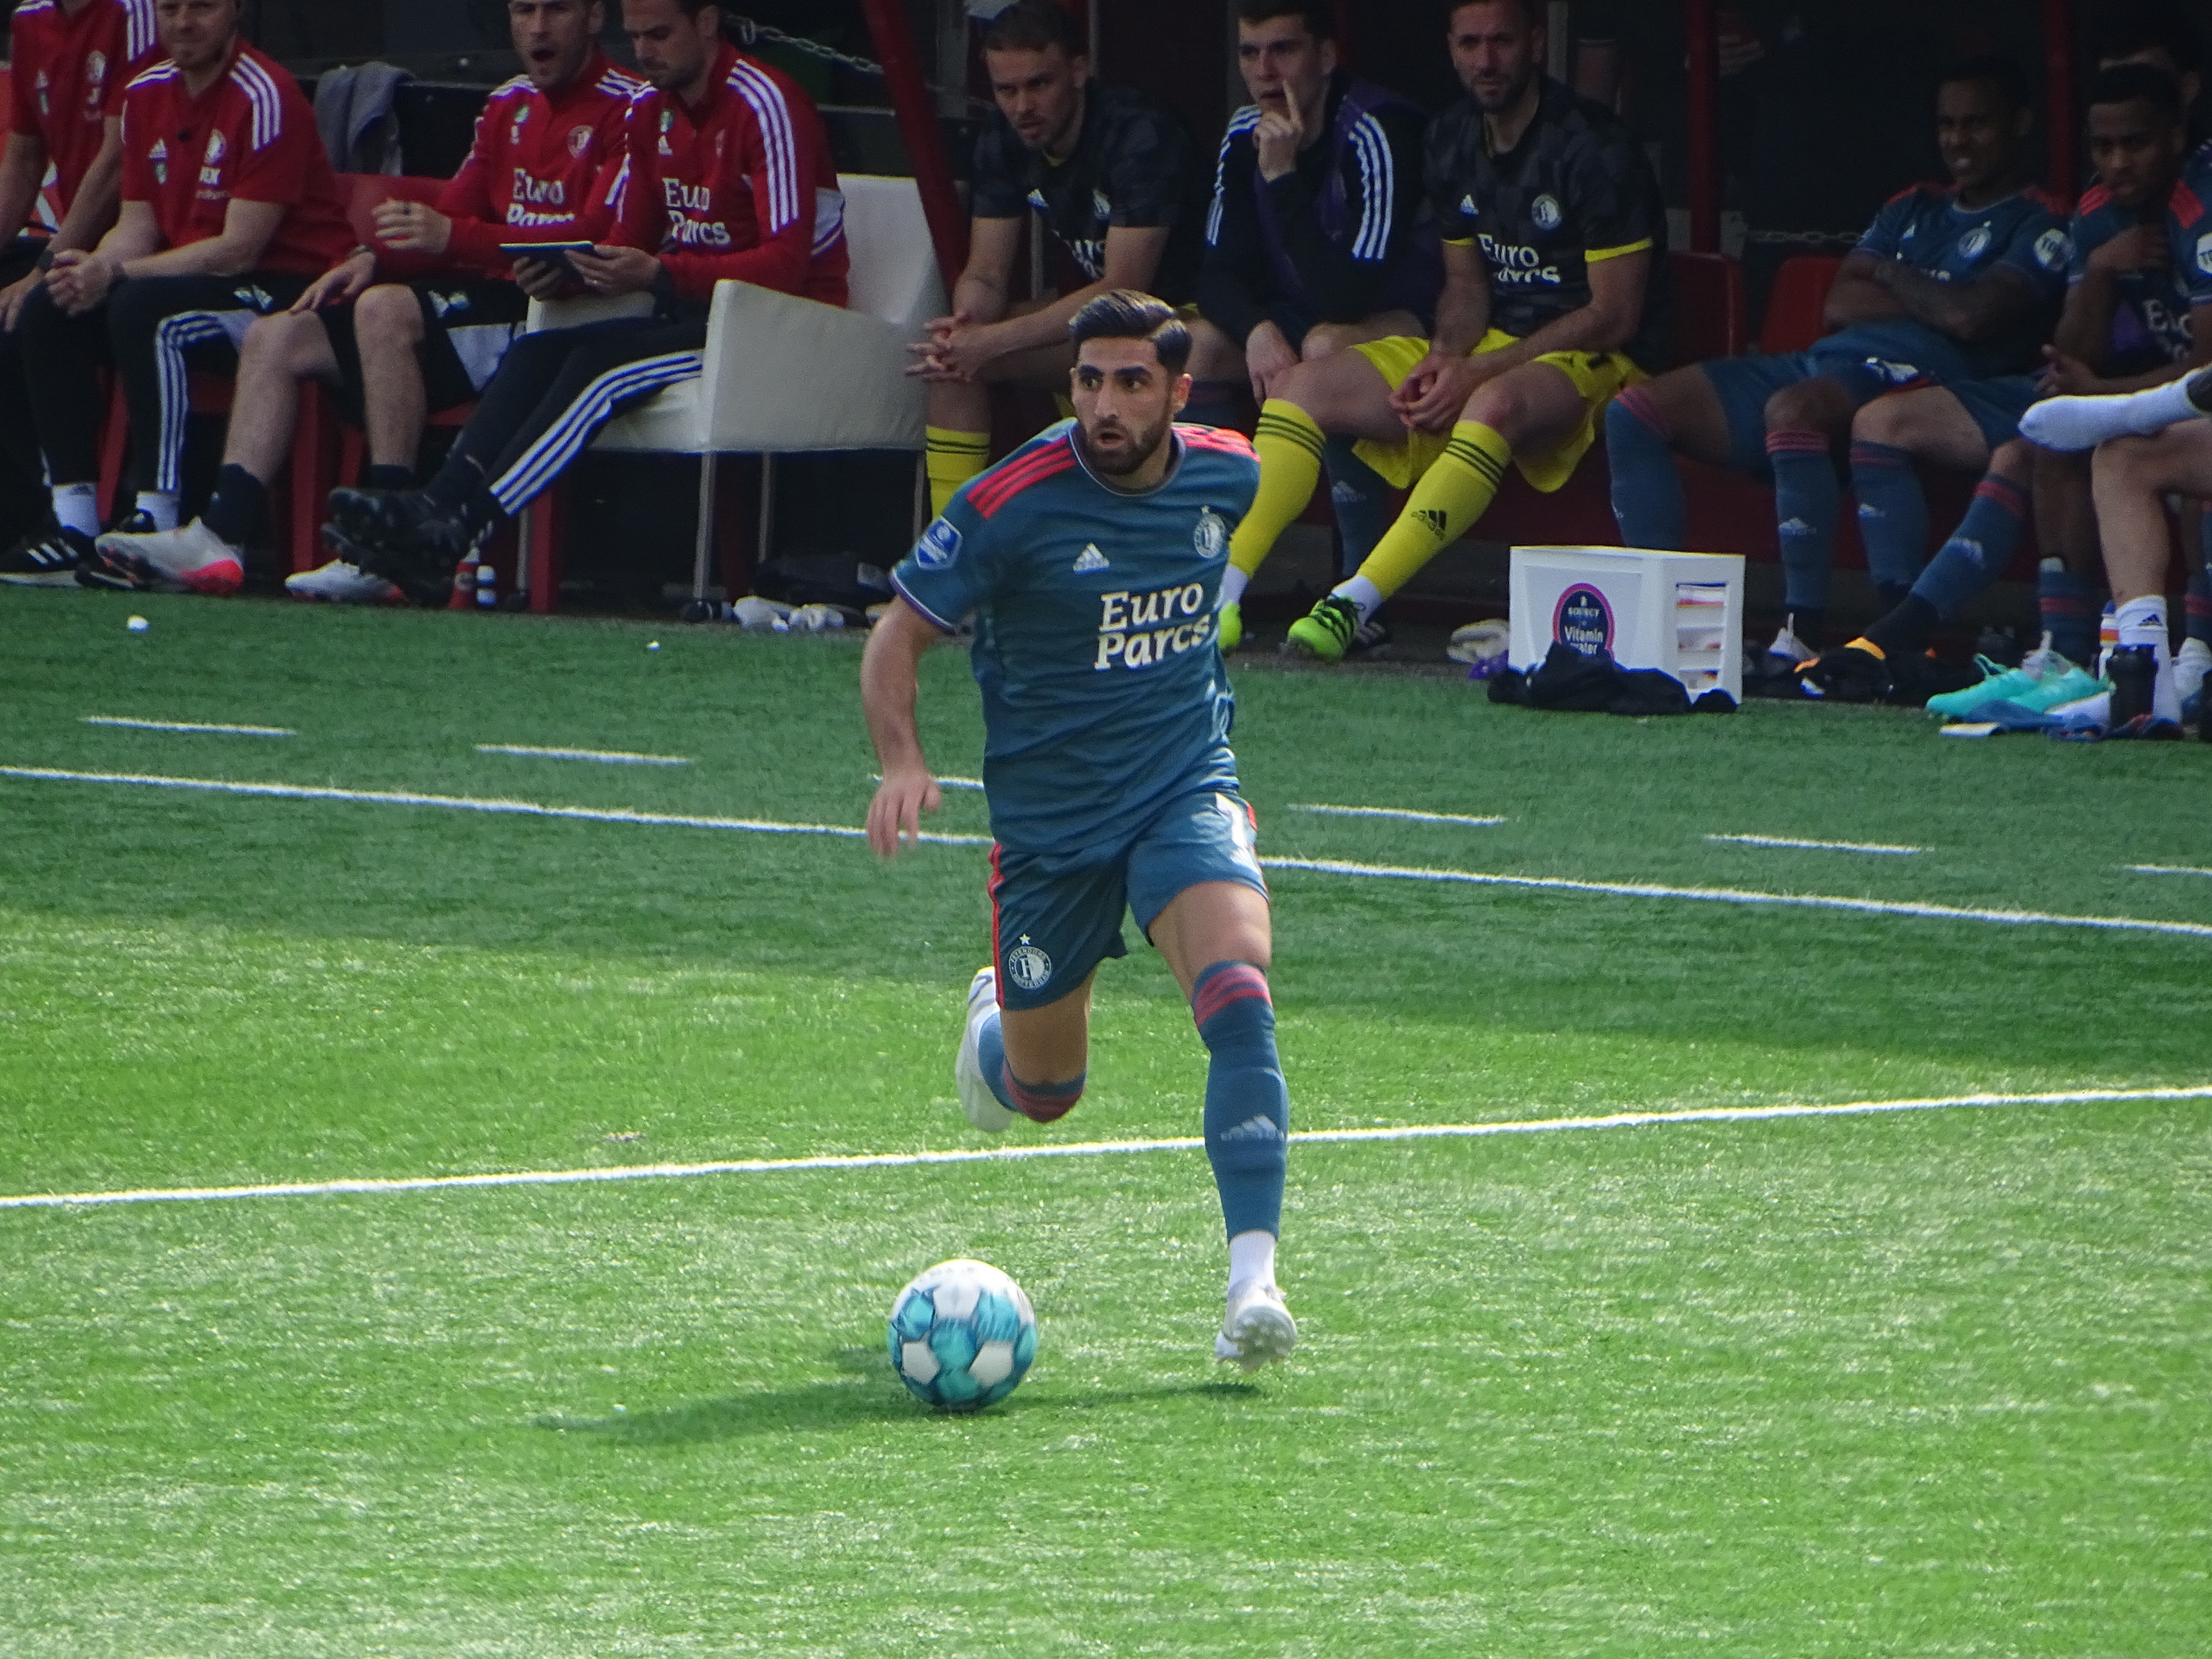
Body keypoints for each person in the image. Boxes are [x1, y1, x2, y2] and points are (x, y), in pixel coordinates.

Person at [862, 289, 1296, 1373]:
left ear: (1177, 393)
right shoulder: (1012, 506)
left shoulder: (1228, 473)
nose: (1105, 404)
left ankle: (1255, 1284)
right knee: (1045, 1096)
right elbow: (894, 640)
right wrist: (904, 764)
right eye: (1089, 382)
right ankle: (995, 1027)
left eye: (1131, 383)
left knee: (1239, 994)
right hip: (1051, 831)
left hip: (1181, 786)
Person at [89, 0, 642, 602]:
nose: (537, 28)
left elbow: (594, 240)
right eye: (523, 11)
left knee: (385, 308)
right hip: (470, 294)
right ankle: (222, 533)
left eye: (555, 11)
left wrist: (452, 240)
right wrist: (368, 258)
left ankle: (384, 542)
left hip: (546, 308)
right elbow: (451, 215)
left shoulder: (630, 106)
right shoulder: (507, 104)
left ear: (593, 18)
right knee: (281, 331)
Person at [310, 0, 847, 604]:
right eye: (637, 36)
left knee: (599, 371)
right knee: (540, 350)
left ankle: (461, 528)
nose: (644, 52)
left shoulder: (765, 102)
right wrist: (567, 274)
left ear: (707, 22)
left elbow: (787, 265)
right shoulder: (650, 109)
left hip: (780, 320)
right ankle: (432, 507)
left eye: (660, 34)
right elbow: (625, 245)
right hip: (691, 309)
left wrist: (661, 272)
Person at [1218, 0, 1667, 663]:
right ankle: (1218, 598)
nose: (1485, 61)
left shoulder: (1593, 146)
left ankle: (1355, 602)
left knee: (1490, 402)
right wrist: (1444, 355)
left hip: (1592, 358)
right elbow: (1465, 286)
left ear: (1537, 44)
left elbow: (1613, 315)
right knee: (1304, 383)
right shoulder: (1454, 137)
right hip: (1488, 347)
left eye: (1502, 42)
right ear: (1451, 48)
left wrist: (1477, 372)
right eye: (1470, 44)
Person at [1607, 56, 2068, 676]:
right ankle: (1663, 629)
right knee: (1633, 412)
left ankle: (1801, 633)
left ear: (2020, 124)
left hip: (1927, 376)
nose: (1959, 140)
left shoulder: (2040, 218)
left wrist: (1889, 273)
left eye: (1978, 123)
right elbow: (1840, 301)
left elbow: (1972, 318)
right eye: (1948, 124)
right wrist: (1931, 289)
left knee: (1794, 410)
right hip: (1824, 361)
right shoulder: (1913, 205)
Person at [1801, 63, 2211, 703]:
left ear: (2177, 138)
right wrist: (2101, 273)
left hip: (2186, 400)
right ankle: (2069, 655)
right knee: (2053, 440)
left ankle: (2197, 653)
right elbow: (2070, 356)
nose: (2119, 162)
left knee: (2167, 441)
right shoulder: (2099, 213)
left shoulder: (2201, 208)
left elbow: (2208, 376)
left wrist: (2102, 396)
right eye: (2104, 147)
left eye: (2138, 143)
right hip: (2135, 395)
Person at [1, 0, 350, 592]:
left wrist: (120, 276)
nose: (184, 23)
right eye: (172, 8)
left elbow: (239, 248)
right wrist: (92, 267)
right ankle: (73, 521)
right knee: (51, 302)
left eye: (203, 8)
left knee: (146, 310)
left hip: (285, 288)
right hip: (192, 278)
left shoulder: (266, 94)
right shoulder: (146, 93)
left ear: (236, 11)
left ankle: (155, 513)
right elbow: (136, 223)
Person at [912, 0, 1226, 520]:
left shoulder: (1139, 134)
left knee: (982, 355)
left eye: (1039, 85)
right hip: (1102, 322)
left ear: (1078, 72)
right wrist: (966, 325)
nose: (1022, 107)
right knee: (950, 365)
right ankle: (948, 556)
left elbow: (1126, 287)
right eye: (1006, 90)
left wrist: (991, 342)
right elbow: (987, 271)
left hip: (1185, 313)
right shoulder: (1004, 136)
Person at [1196, 0, 1438, 655]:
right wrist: (1254, 329)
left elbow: (1349, 293)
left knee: (1325, 347)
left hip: (1407, 321)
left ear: (1326, 57)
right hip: (1298, 319)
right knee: (1189, 348)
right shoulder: (1245, 130)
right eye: (1250, 53)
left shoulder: (1376, 129)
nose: (1265, 71)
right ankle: (1183, 564)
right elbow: (1214, 274)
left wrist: (1281, 178)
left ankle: (1356, 589)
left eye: (1284, 50)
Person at [0, 0, 160, 569]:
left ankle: (68, 515)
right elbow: (22, 156)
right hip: (75, 235)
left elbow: (121, 157)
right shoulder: (30, 20)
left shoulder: (136, 14)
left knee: (35, 310)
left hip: (144, 237)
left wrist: (48, 262)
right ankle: (19, 513)